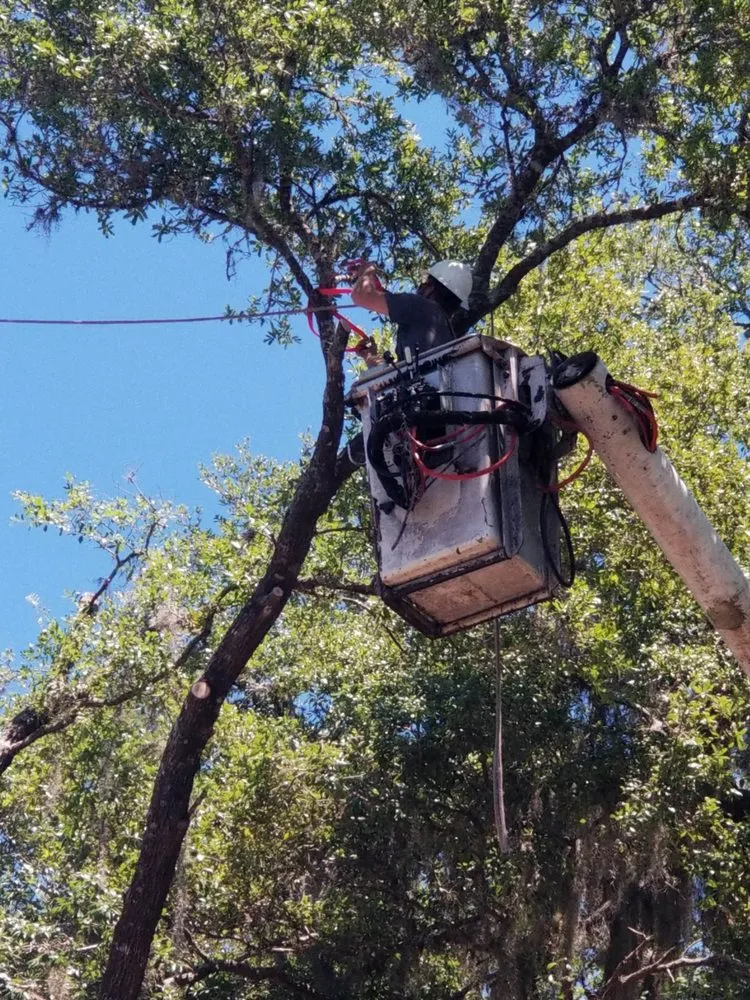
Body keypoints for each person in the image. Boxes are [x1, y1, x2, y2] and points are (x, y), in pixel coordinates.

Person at [347, 259, 473, 366]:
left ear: (430, 288)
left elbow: (362, 295)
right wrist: (370, 357)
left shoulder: (420, 306)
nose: (420, 287)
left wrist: (368, 271)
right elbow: (404, 377)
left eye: (423, 283)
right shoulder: (447, 335)